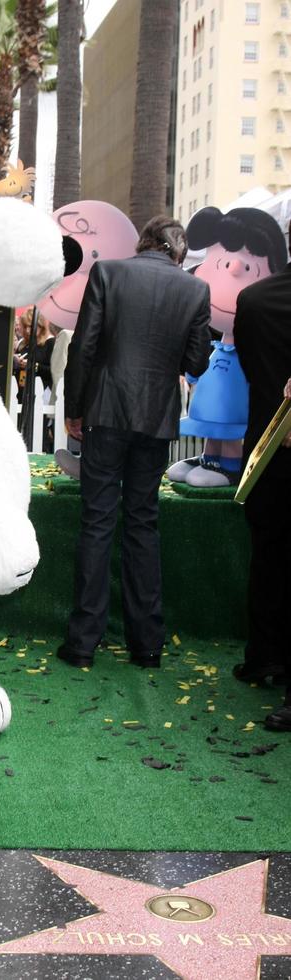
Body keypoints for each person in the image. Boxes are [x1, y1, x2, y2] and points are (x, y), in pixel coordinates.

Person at [58, 216, 212, 670]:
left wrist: (74, 409)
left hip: (106, 412)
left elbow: (83, 347)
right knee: (143, 524)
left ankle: (83, 642)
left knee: (97, 523)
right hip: (156, 418)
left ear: (143, 242)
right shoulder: (195, 291)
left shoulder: (109, 273)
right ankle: (147, 645)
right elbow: (197, 362)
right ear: (178, 253)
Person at [232, 231, 291, 730]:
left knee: (268, 553)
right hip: (274, 443)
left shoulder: (253, 302)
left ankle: (262, 654)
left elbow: (253, 369)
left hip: (267, 447)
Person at [13, 307, 54, 399]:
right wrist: (17, 362)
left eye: (31, 326)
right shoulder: (22, 343)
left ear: (41, 326)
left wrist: (34, 366)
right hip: (20, 393)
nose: (27, 331)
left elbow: (54, 371)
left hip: (41, 394)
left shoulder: (50, 342)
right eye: (25, 326)